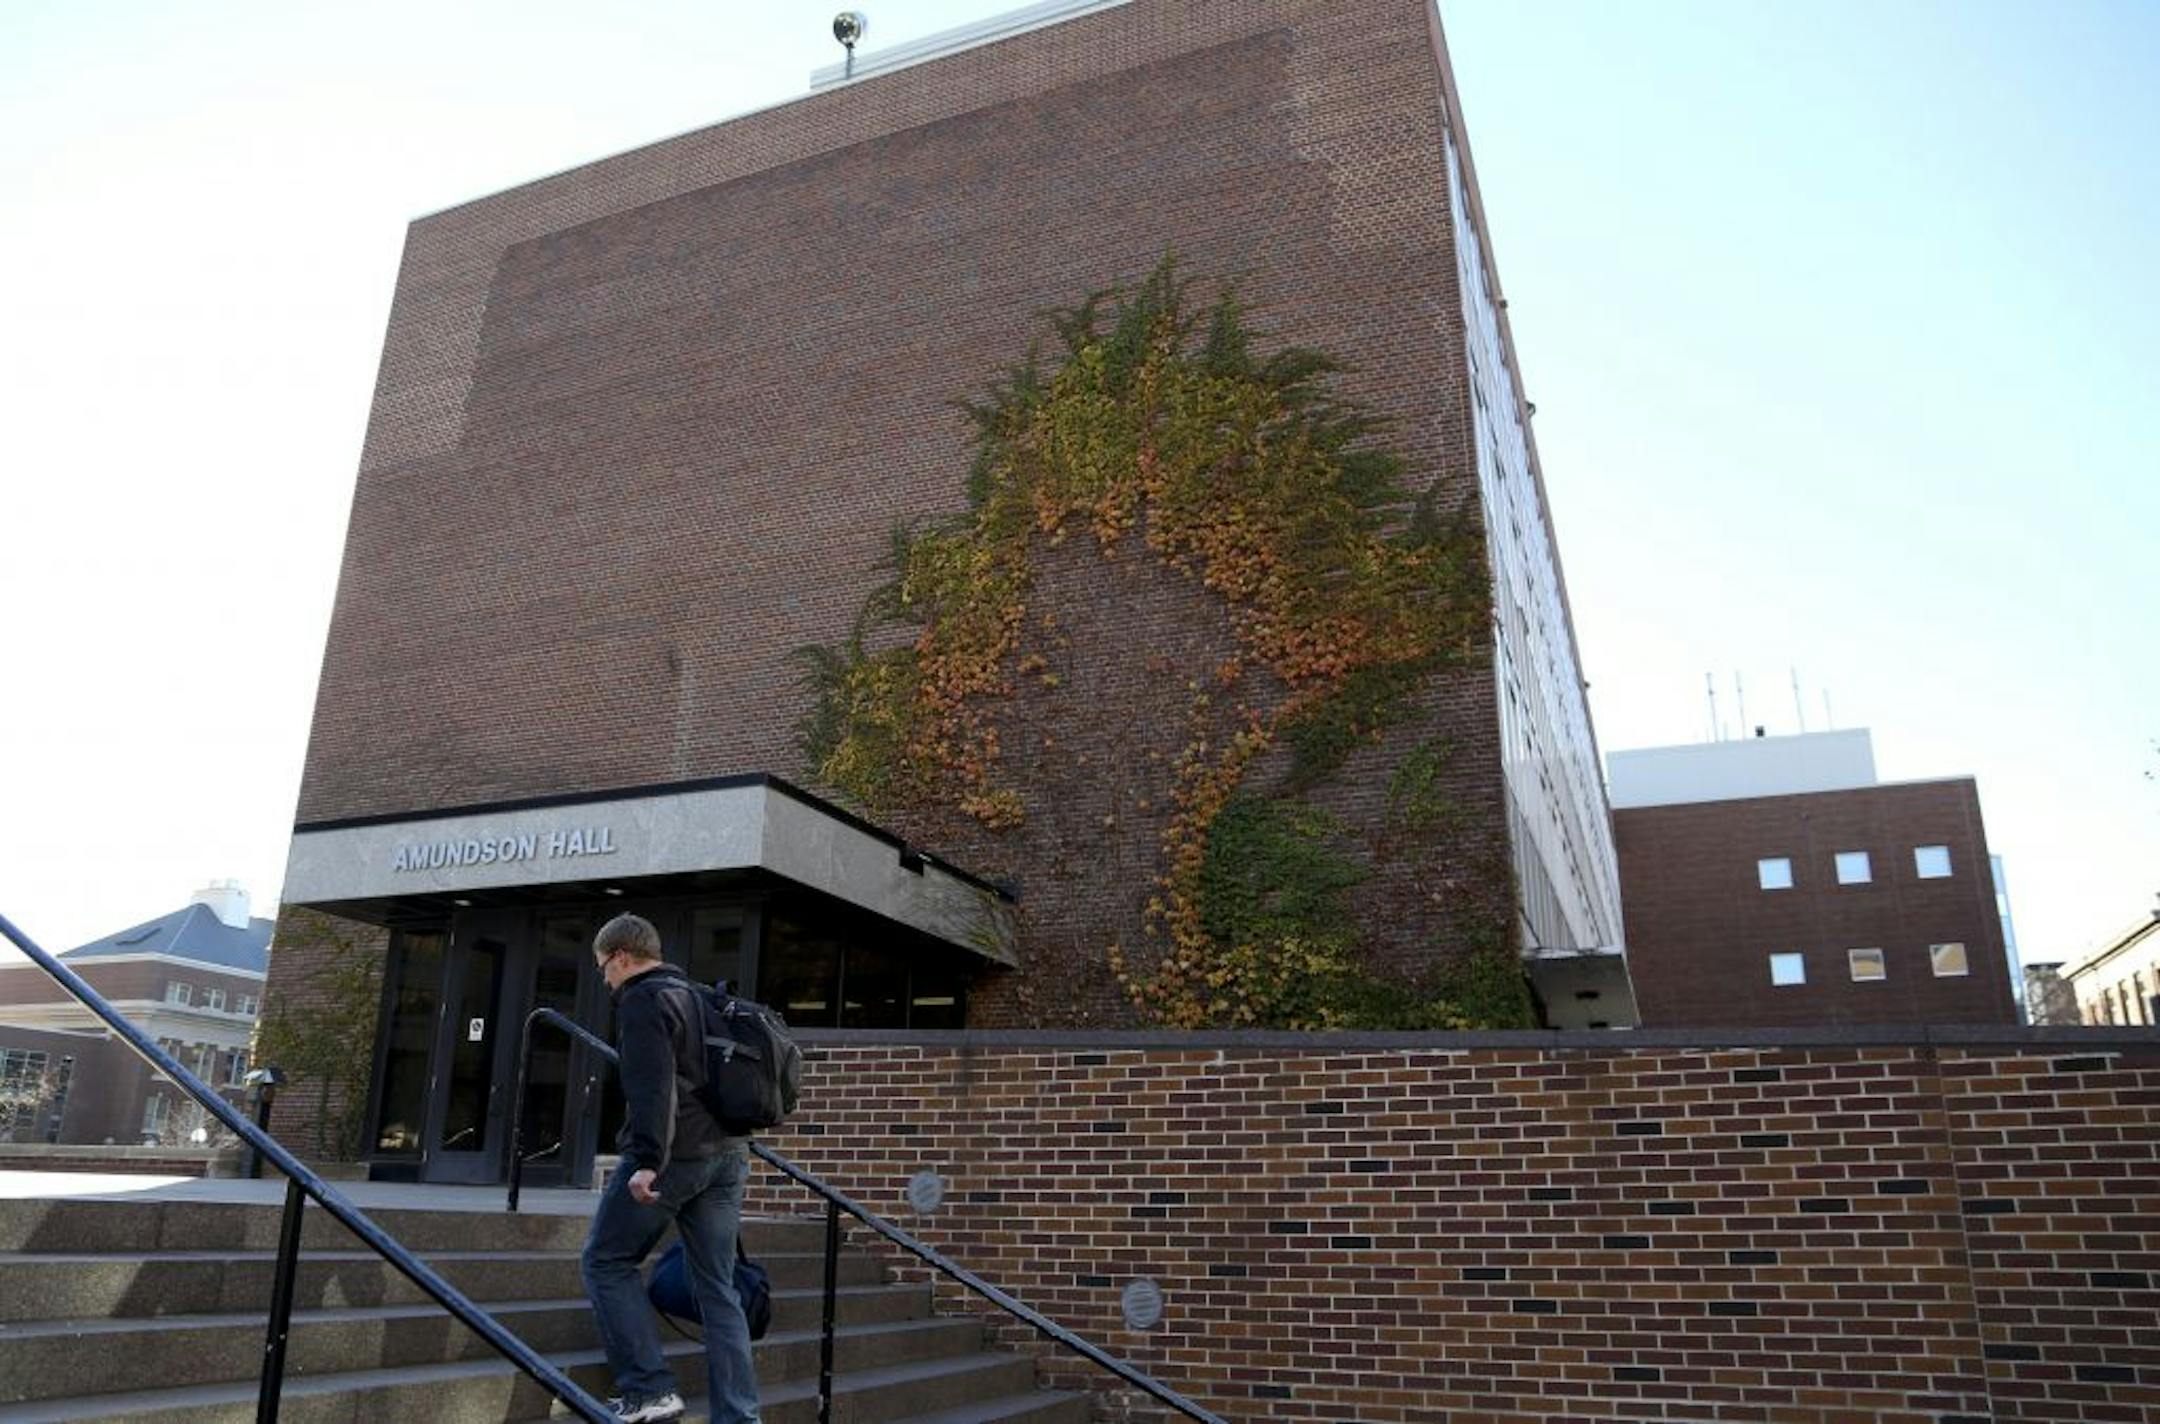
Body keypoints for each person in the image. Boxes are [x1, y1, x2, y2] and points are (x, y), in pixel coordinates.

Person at [579, 913, 760, 1423]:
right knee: (718, 1288)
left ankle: (648, 1388)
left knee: (605, 1261)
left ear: (620, 956)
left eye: (603, 968)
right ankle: (739, 1416)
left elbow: (652, 1089)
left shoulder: (642, 999)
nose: (605, 979)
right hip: (728, 1155)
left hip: (676, 1157)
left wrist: (645, 1162)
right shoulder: (698, 994)